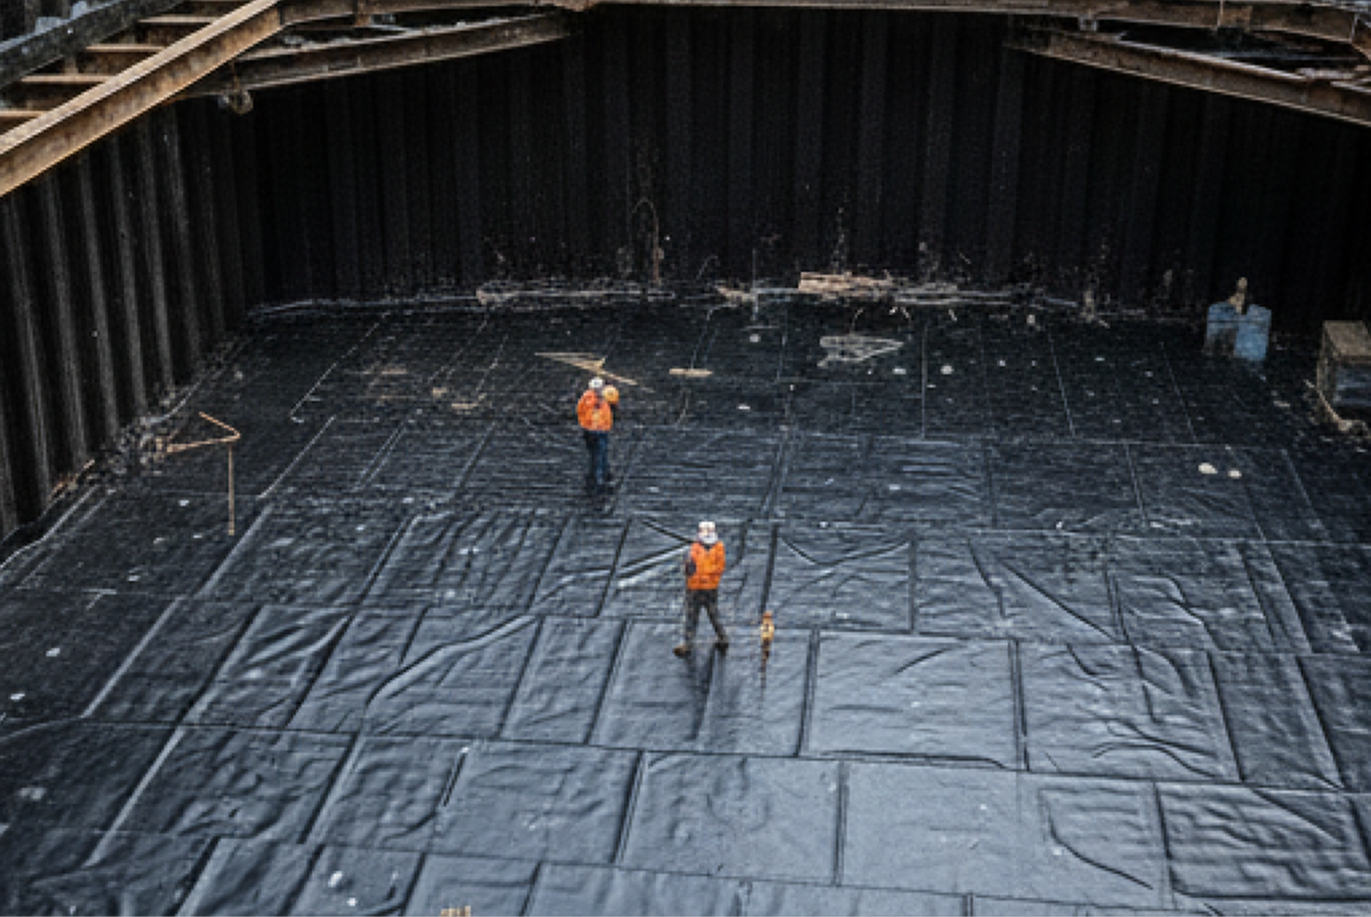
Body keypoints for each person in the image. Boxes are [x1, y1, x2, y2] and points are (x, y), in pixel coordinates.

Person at [674, 521, 728, 657]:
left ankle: (722, 638)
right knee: (693, 616)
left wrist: (698, 574)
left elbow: (718, 568)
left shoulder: (716, 548)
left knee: (711, 614)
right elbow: (689, 566)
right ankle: (689, 643)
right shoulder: (695, 548)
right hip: (696, 588)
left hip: (705, 588)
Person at [577, 377, 619, 491]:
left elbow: (580, 411)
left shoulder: (585, 398)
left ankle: (598, 475)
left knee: (595, 454)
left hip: (590, 431)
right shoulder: (605, 397)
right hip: (599, 431)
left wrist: (584, 424)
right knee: (600, 454)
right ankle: (600, 478)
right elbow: (614, 406)